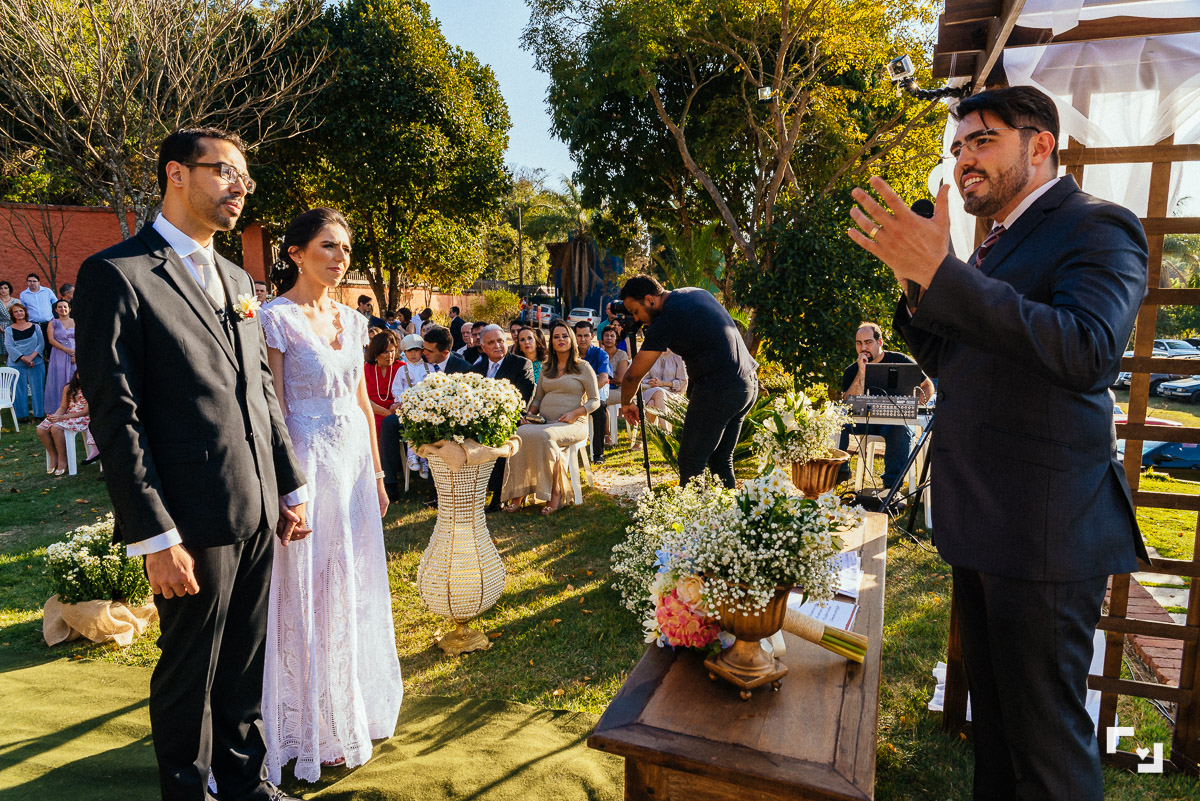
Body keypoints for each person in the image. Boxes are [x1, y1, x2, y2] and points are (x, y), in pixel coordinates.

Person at [847, 85, 1149, 801]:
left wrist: (945, 275)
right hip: (985, 523)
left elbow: (1088, 349)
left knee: (1045, 749)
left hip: (1045, 532)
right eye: (959, 147)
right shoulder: (996, 244)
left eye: (982, 140)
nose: (963, 160)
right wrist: (919, 286)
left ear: (1040, 144)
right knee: (998, 735)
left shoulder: (1099, 226)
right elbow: (960, 363)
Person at [75, 127, 308, 801]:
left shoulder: (237, 278)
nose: (240, 187)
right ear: (175, 173)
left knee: (244, 659)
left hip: (256, 503)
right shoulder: (117, 274)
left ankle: (245, 784)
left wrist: (287, 484)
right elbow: (117, 418)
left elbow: (258, 390)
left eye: (245, 178)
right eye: (225, 172)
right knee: (190, 669)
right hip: (187, 514)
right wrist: (155, 536)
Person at [259, 207, 402, 784]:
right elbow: (272, 409)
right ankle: (307, 723)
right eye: (328, 246)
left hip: (353, 468)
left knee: (353, 581)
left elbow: (363, 401)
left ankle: (350, 710)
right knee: (307, 589)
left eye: (345, 248)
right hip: (306, 464)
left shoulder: (356, 321)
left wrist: (378, 475)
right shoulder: (274, 319)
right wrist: (286, 486)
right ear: (296, 253)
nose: (340, 258)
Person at [618, 276, 757, 487]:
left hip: (719, 389)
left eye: (635, 311)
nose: (636, 319)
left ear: (649, 300)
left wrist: (626, 403)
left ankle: (692, 510)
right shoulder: (693, 292)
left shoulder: (666, 320)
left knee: (691, 462)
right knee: (720, 460)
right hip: (747, 383)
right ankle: (727, 509)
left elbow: (632, 375)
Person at [502, 320, 599, 514]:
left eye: (564, 336)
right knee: (519, 433)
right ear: (551, 342)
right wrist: (530, 415)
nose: (561, 339)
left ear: (571, 339)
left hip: (573, 423)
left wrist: (575, 413)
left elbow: (595, 401)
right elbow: (538, 399)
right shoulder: (547, 368)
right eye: (556, 337)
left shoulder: (583, 367)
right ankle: (518, 493)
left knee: (547, 437)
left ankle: (554, 494)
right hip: (545, 422)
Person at [836, 322, 933, 490]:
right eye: (859, 343)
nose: (863, 348)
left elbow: (928, 385)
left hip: (894, 421)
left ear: (879, 342)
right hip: (865, 421)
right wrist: (862, 372)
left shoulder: (900, 360)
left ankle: (891, 489)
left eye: (868, 342)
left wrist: (912, 405)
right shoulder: (852, 370)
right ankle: (840, 471)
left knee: (900, 430)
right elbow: (849, 401)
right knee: (837, 421)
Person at [471, 324, 536, 512]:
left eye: (500, 340)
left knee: (498, 438)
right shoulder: (476, 369)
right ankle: (469, 490)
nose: (497, 345)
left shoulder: (521, 364)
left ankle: (499, 496)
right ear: (483, 347)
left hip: (509, 419)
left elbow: (523, 399)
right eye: (491, 342)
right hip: (479, 420)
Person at [389, 333, 433, 479]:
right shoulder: (403, 370)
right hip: (409, 406)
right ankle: (412, 454)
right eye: (409, 351)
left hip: (427, 406)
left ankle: (424, 459)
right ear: (404, 352)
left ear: (422, 351)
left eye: (416, 350)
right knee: (411, 423)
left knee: (427, 425)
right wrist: (404, 400)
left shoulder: (429, 368)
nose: (413, 354)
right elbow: (396, 389)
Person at [37, 372, 89, 476]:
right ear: (77, 375)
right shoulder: (69, 388)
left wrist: (62, 418)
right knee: (41, 428)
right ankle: (54, 456)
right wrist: (55, 416)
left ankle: (63, 459)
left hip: (83, 418)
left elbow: (85, 412)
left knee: (56, 428)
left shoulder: (91, 388)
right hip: (68, 415)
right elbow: (63, 407)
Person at [573, 321, 610, 464]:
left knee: (600, 408)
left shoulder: (600, 354)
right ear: (574, 336)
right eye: (579, 336)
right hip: (572, 395)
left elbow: (604, 378)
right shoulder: (569, 354)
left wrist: (586, 395)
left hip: (593, 395)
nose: (583, 339)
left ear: (592, 336)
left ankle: (598, 454)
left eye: (586, 335)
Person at [5, 300, 46, 420]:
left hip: (36, 362)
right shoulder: (8, 330)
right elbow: (9, 346)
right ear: (12, 315)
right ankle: (22, 415)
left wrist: (31, 357)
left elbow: (41, 343)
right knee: (18, 389)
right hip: (16, 363)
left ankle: (39, 414)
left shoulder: (36, 327)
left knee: (37, 388)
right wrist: (23, 358)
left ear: (25, 312)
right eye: (16, 312)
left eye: (21, 311)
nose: (19, 313)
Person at [364, 330, 400, 438]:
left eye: (392, 351)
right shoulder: (367, 368)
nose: (390, 355)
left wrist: (392, 413)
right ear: (376, 352)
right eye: (385, 352)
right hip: (372, 413)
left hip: (396, 415)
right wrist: (386, 413)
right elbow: (363, 398)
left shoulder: (402, 368)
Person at [43, 299, 77, 414]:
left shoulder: (76, 321)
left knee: (74, 379)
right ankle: (59, 408)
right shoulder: (53, 322)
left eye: (65, 306)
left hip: (76, 353)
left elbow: (81, 338)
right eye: (60, 307)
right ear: (56, 310)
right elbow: (51, 340)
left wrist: (75, 354)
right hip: (59, 354)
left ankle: (74, 408)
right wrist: (66, 350)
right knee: (60, 380)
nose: (63, 309)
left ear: (69, 309)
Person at [600, 325, 629, 446]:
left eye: (612, 336)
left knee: (600, 401)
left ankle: (607, 436)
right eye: (606, 335)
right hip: (602, 388)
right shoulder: (599, 354)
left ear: (616, 338)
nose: (609, 338)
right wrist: (611, 376)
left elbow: (621, 379)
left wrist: (604, 378)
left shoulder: (621, 354)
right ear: (602, 338)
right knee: (597, 398)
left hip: (619, 391)